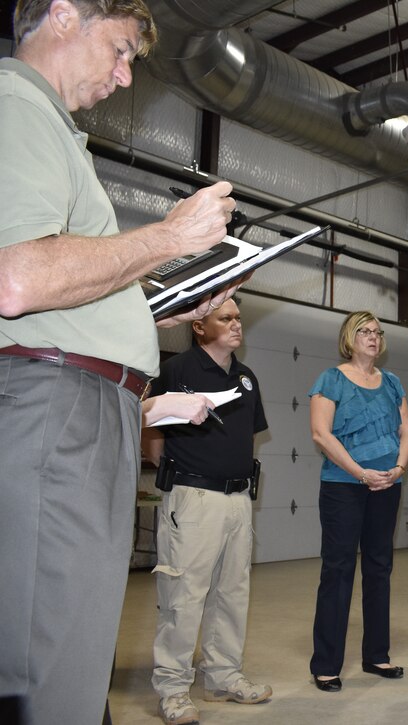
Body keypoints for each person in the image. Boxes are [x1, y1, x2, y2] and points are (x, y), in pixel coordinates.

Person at [0, 1, 239, 720]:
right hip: (58, 405)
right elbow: (17, 279)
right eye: (121, 49)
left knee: (61, 649)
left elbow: (65, 292)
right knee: (49, 660)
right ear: (64, 14)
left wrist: (161, 305)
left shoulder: (50, 128)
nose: (125, 75)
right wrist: (167, 238)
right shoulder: (17, 107)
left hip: (77, 403)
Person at [146, 299, 271, 724]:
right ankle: (173, 688)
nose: (237, 325)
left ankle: (222, 676)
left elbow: (247, 439)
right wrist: (175, 480)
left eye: (238, 318)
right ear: (199, 326)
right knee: (183, 596)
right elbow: (154, 436)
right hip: (193, 498)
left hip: (238, 499)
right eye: (226, 318)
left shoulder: (246, 377)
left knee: (232, 593)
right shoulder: (177, 371)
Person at [308, 311, 408, 691]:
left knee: (379, 568)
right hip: (344, 487)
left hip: (387, 485)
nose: (373, 337)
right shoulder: (331, 379)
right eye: (364, 331)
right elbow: (321, 435)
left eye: (377, 332)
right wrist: (360, 472)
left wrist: (399, 468)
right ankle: (326, 664)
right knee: (337, 572)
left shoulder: (392, 382)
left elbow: (406, 430)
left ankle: (377, 656)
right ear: (348, 337)